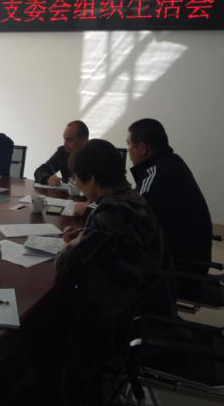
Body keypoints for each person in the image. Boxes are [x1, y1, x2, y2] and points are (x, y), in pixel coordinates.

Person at [49, 139, 174, 405]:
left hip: (128, 319)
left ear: (93, 178)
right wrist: (84, 236)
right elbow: (109, 241)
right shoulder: (130, 198)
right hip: (150, 301)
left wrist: (69, 244)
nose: (77, 186)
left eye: (78, 179)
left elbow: (65, 266)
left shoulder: (111, 214)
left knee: (53, 316)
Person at [127, 118, 213, 274]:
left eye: (129, 145)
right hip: (191, 260)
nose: (128, 152)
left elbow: (133, 222)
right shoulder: (172, 162)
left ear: (142, 148)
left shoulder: (156, 175)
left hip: (176, 270)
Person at [33, 120, 89, 185]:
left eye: (69, 140)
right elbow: (40, 171)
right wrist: (48, 179)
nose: (65, 144)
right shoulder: (63, 152)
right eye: (64, 139)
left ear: (83, 140)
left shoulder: (95, 154)